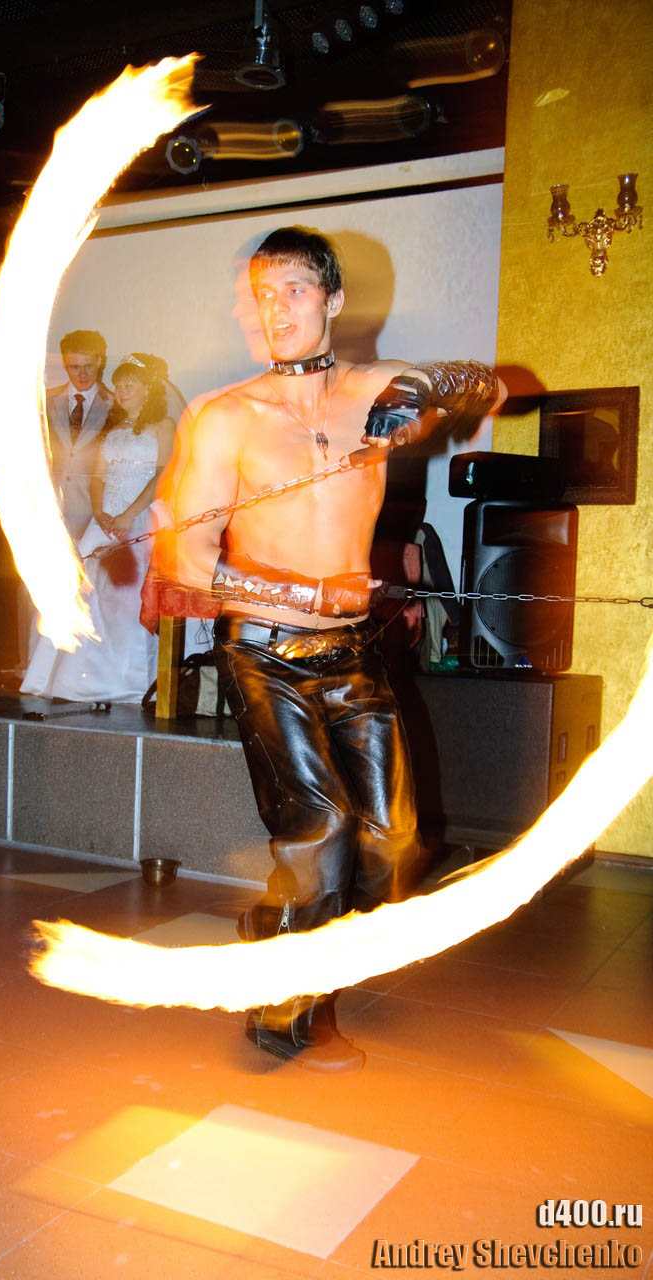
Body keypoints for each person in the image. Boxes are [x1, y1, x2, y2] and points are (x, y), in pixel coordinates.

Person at [171, 226, 504, 1072]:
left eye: (294, 289)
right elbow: (187, 561)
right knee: (319, 828)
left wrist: (435, 387)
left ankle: (275, 927)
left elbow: (488, 384)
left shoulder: (375, 389)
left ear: (333, 299)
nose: (275, 309)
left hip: (354, 653)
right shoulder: (225, 416)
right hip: (263, 651)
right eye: (263, 293)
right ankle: (284, 1014)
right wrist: (301, 595)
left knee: (394, 842)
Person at [22, 355, 175, 703]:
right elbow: (97, 479)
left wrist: (129, 515)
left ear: (148, 389)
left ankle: (132, 684)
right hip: (105, 520)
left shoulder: (163, 426)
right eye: (118, 386)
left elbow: (162, 475)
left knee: (128, 600)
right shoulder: (113, 430)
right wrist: (100, 512)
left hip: (142, 517)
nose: (121, 391)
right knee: (80, 592)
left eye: (129, 385)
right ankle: (70, 679)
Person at [47, 330, 113, 541]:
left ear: (100, 361)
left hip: (90, 518)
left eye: (88, 366)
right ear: (65, 365)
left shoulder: (116, 406)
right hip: (46, 511)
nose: (82, 375)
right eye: (74, 367)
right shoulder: (44, 401)